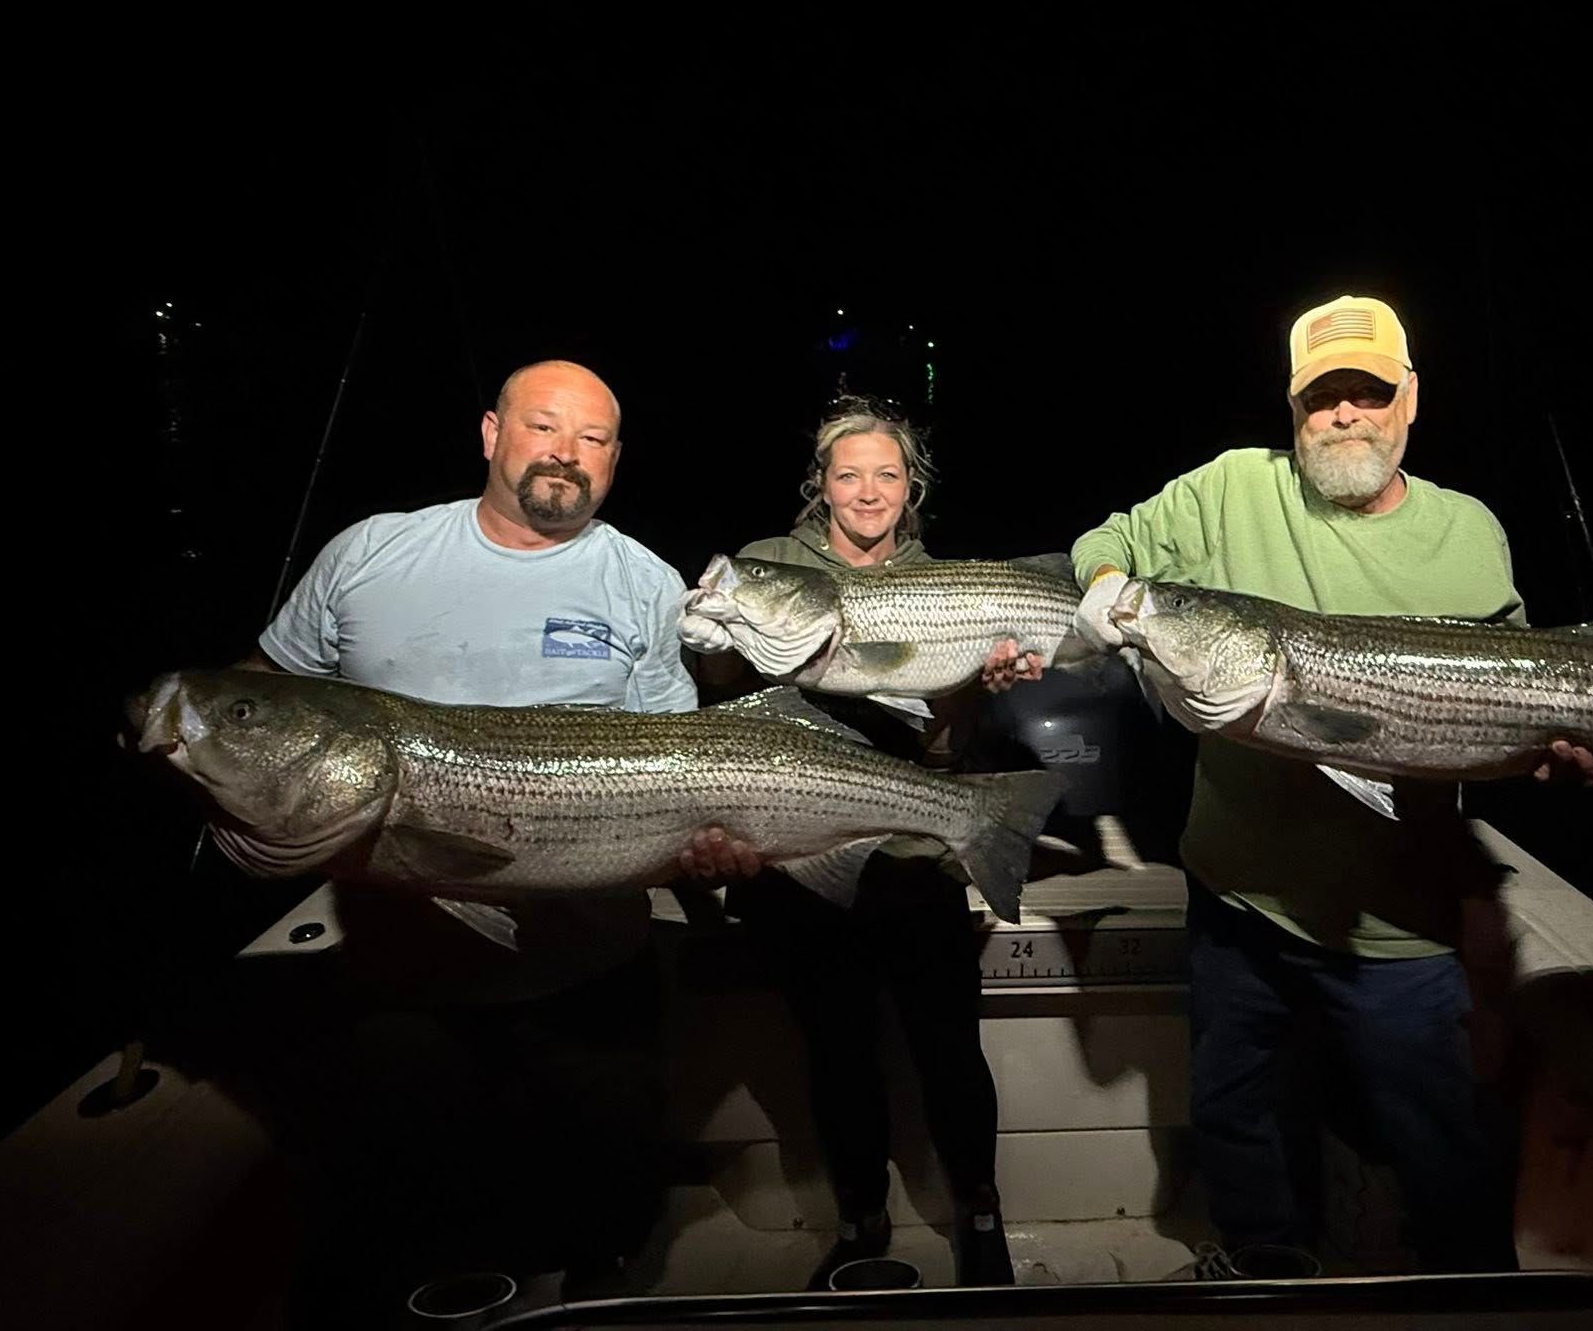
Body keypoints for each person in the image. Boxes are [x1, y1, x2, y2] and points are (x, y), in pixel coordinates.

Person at [1069, 296, 1593, 1273]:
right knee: (1234, 1114)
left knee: (1438, 1141)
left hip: (1397, 920)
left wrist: (1561, 750)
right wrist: (1108, 587)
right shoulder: (1233, 488)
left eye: (1366, 391)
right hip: (1236, 896)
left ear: (1408, 400)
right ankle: (1262, 1266)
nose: (1344, 415)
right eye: (1321, 398)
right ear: (1292, 410)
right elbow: (1110, 541)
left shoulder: (1466, 531)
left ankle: (1468, 1294)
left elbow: (1521, 686)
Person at [244, 358, 754, 1320]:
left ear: (613, 459)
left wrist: (709, 840)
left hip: (589, 976)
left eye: (592, 438)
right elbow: (266, 697)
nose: (565, 453)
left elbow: (676, 756)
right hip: (399, 987)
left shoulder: (644, 580)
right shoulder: (369, 553)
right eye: (543, 426)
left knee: (597, 1229)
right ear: (490, 433)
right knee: (406, 1235)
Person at [680, 395, 1025, 1288]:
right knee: (834, 1047)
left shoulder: (938, 584)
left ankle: (979, 1214)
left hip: (911, 847)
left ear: (910, 488)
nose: (866, 491)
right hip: (791, 850)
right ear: (820, 485)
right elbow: (718, 683)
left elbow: (944, 739)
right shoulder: (767, 565)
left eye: (886, 475)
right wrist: (709, 638)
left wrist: (972, 685)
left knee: (948, 1044)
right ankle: (862, 1221)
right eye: (848, 474)